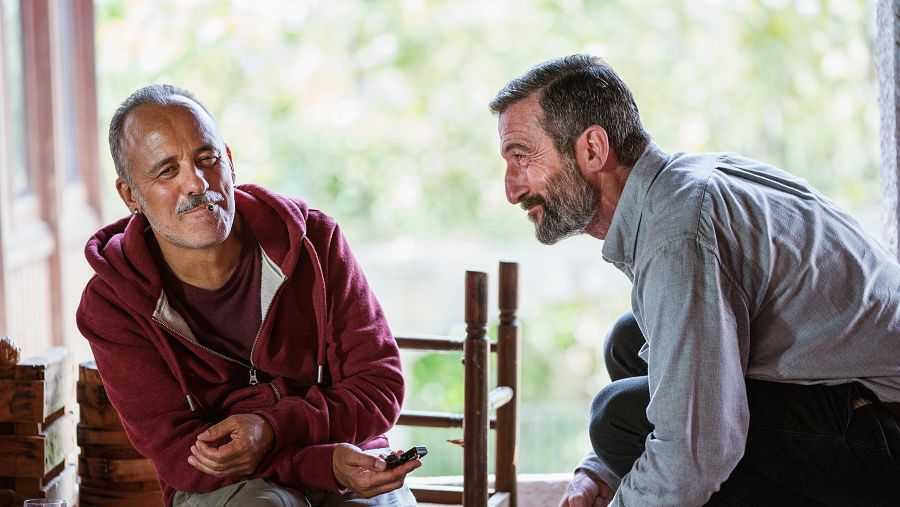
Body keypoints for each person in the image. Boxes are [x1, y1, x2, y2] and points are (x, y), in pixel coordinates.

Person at [490, 55, 900, 506]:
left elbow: (696, 453)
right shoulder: (680, 185)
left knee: (620, 419)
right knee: (630, 342)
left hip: (886, 432)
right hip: (854, 402)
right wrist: (602, 473)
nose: (512, 189)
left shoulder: (678, 231)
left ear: (592, 149)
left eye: (521, 158)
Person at [76, 84, 419, 507]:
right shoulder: (111, 305)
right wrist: (313, 464)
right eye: (167, 171)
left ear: (231, 162)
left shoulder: (316, 241)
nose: (196, 183)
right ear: (131, 196)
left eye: (207, 158)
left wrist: (275, 429)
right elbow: (184, 458)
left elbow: (379, 386)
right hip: (227, 486)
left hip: (350, 456)